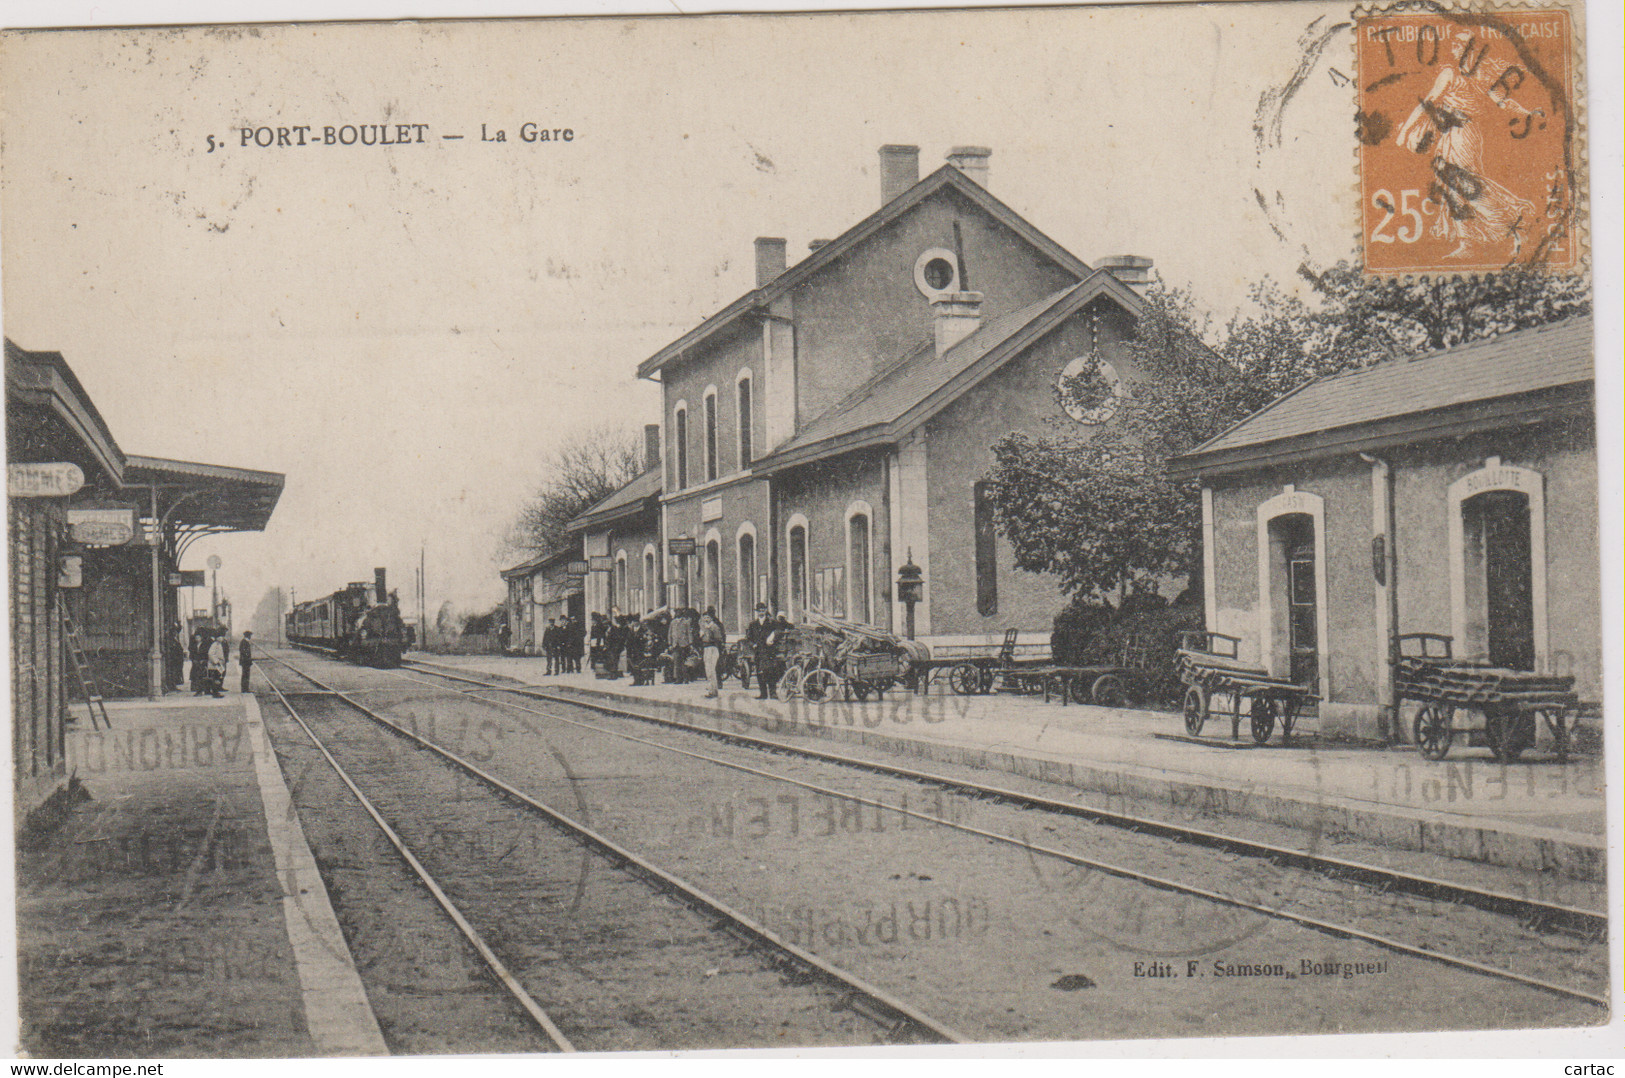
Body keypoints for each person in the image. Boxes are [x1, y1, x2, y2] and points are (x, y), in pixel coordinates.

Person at [745, 603, 777, 700]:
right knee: (760, 672)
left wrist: (772, 639)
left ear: (766, 610)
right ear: (757, 612)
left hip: (769, 651)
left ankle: (773, 693)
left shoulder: (771, 623)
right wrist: (753, 644)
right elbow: (749, 638)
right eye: (759, 610)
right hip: (758, 651)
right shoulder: (753, 624)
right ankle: (763, 693)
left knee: (771, 672)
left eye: (763, 610)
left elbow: (777, 632)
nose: (761, 612)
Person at [698, 606, 725, 698]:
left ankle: (713, 691)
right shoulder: (704, 627)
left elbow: (718, 639)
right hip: (706, 648)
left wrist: (709, 638)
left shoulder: (714, 627)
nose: (706, 619)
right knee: (708, 670)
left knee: (711, 670)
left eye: (708, 617)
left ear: (711, 618)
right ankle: (711, 690)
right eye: (705, 617)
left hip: (713, 648)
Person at [668, 606, 695, 684]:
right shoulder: (672, 622)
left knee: (684, 662)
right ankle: (678, 678)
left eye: (679, 612)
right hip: (675, 644)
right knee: (676, 662)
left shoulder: (686, 622)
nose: (677, 613)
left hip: (684, 644)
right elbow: (669, 633)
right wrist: (670, 643)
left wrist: (690, 643)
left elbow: (689, 633)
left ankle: (685, 678)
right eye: (676, 612)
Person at [206, 632, 229, 698]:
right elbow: (210, 654)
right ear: (217, 638)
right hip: (214, 665)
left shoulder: (219, 644)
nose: (221, 638)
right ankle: (215, 693)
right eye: (220, 637)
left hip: (217, 665)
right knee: (215, 679)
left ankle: (216, 692)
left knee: (217, 678)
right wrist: (216, 661)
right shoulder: (214, 644)